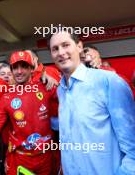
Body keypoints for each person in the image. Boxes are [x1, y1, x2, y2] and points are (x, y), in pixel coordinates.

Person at [49, 30, 135, 174]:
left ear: (79, 46)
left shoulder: (109, 81)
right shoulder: (61, 89)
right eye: (55, 49)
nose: (61, 52)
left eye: (65, 45)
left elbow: (132, 147)